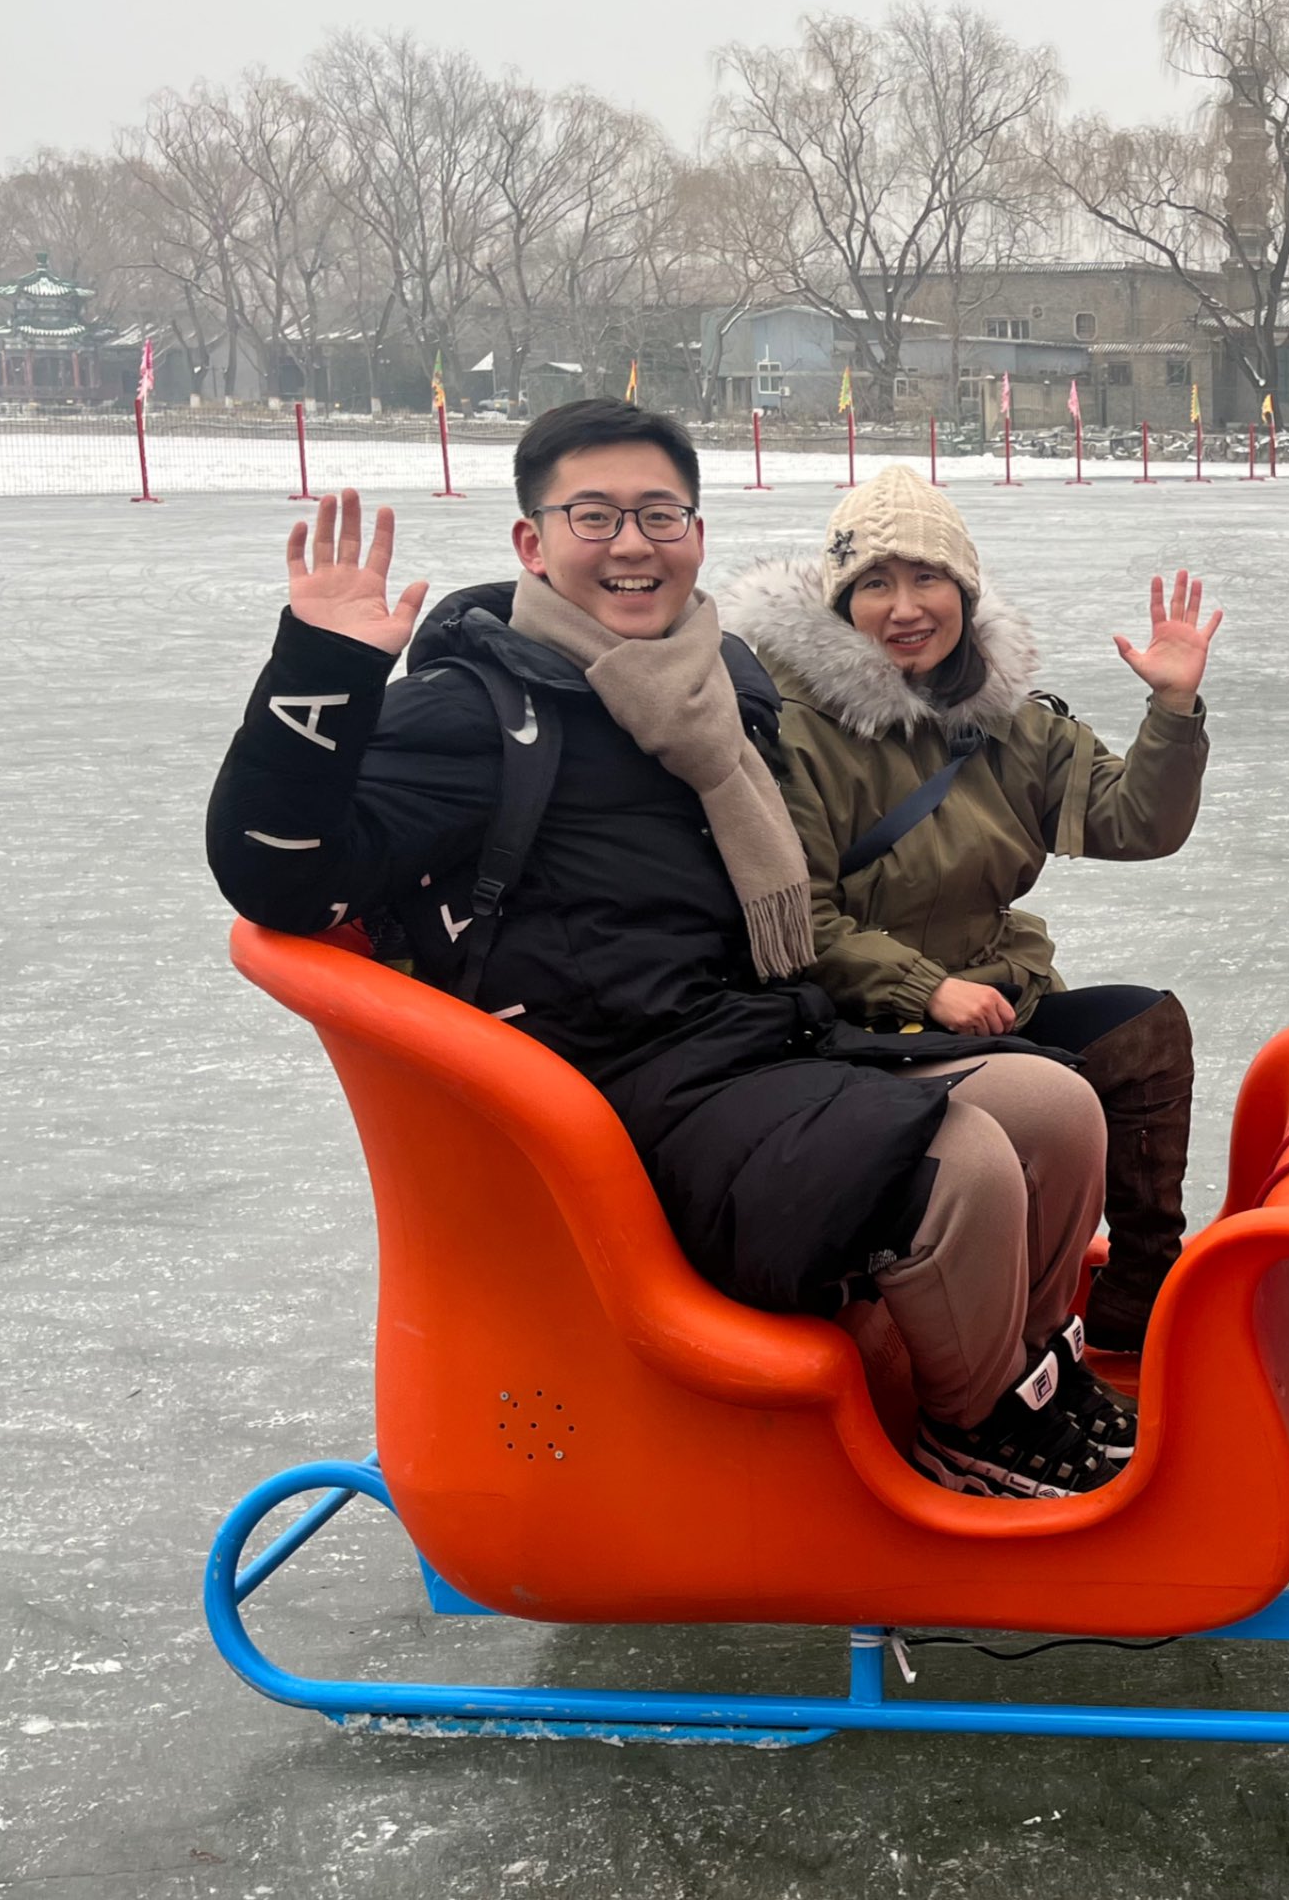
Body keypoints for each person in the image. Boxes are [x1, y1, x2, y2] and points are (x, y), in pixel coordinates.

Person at [205, 402, 1130, 1499]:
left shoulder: (717, 685)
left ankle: (1023, 1371)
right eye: (593, 516)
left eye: (659, 512)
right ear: (530, 543)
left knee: (1055, 1104)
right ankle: (974, 1428)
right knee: (961, 1163)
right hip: (615, 1099)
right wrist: (324, 671)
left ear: (695, 532)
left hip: (751, 1043)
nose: (632, 543)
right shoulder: (476, 713)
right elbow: (277, 873)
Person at [721, 466, 1217, 1359]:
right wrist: (927, 986)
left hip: (991, 995)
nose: (905, 606)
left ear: (964, 589)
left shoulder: (1008, 723)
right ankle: (993, 1350)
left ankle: (1139, 1301)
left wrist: (1172, 708)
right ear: (841, 603)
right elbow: (796, 920)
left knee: (1145, 1029)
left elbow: (1138, 821)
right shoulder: (793, 732)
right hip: (864, 1027)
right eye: (874, 583)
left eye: (927, 577)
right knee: (1044, 1101)